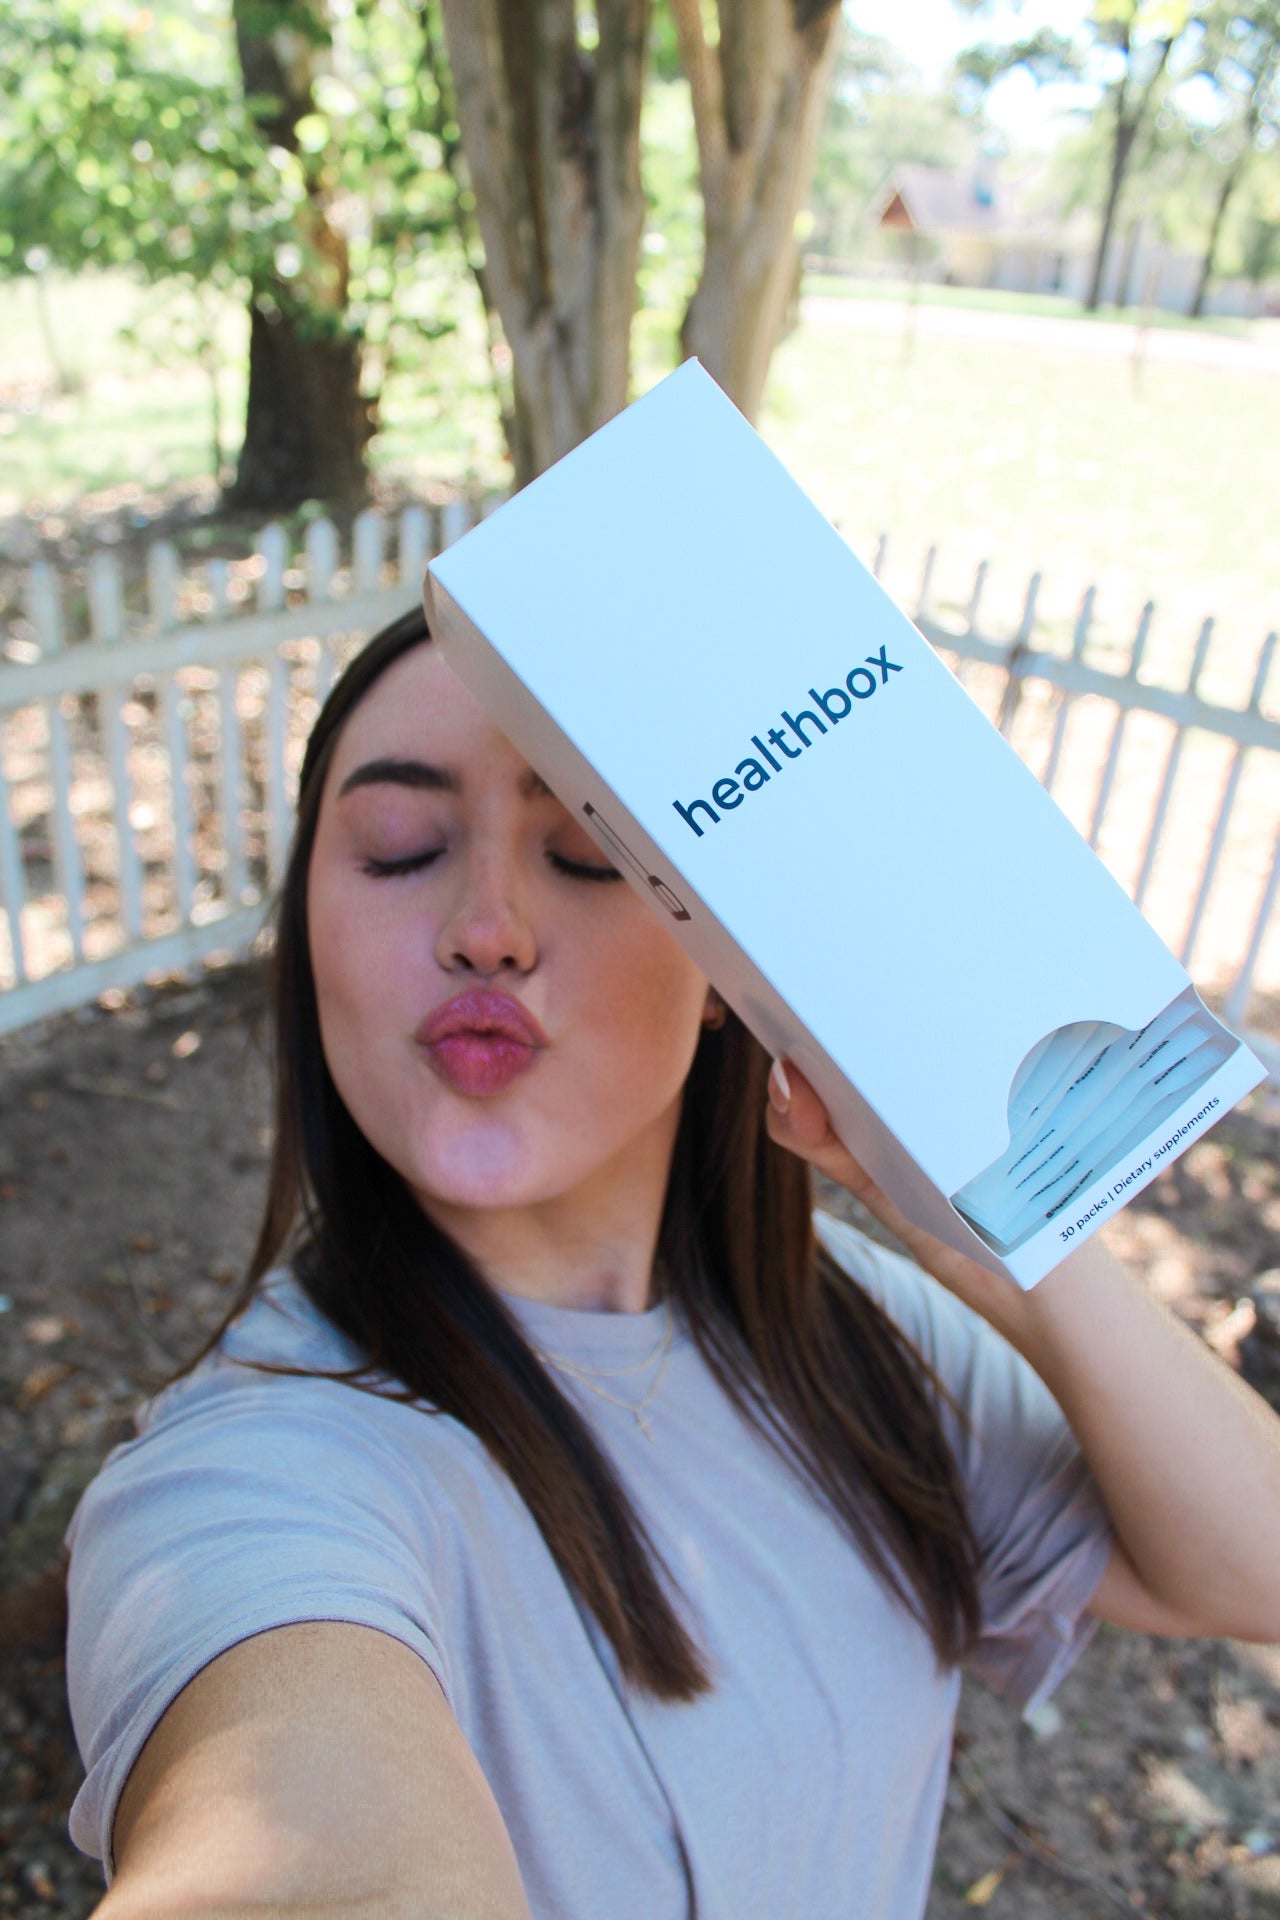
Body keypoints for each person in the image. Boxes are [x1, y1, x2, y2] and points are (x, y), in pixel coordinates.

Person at [65, 605, 1280, 1920]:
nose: (486, 928)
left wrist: (1007, 1244)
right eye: (399, 847)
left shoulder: (859, 1324)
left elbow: (1249, 1570)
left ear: (724, 968)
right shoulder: (248, 1482)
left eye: (587, 854)